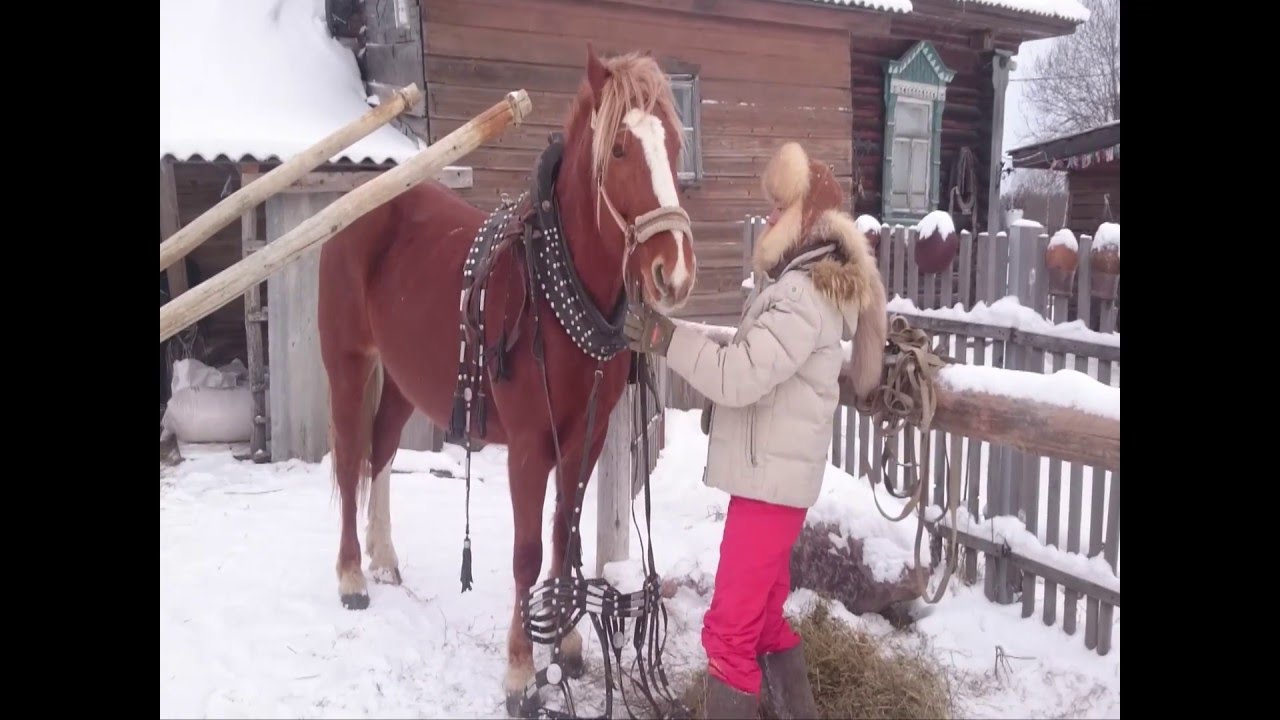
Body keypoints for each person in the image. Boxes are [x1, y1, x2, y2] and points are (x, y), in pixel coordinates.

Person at [624, 142, 887, 719]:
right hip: (774, 484)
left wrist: (664, 339)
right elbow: (754, 362)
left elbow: (739, 377)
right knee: (763, 621)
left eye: (776, 210)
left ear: (804, 223)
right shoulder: (801, 288)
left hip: (771, 489)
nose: (767, 219)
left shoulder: (801, 297)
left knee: (728, 634)